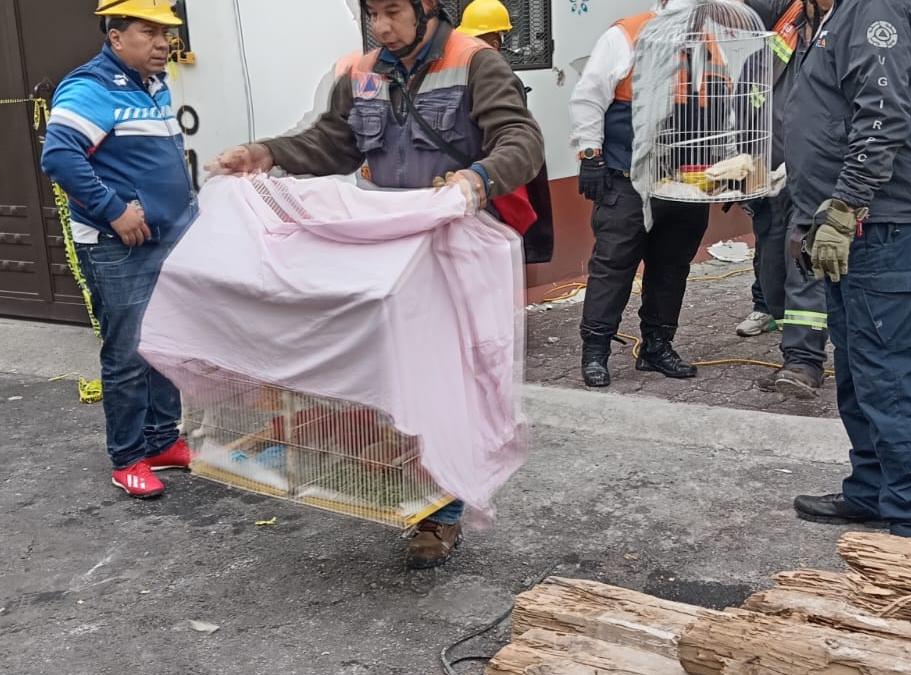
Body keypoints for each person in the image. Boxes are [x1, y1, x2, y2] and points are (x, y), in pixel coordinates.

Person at [207, 0, 544, 569]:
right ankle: (400, 481)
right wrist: (266, 154)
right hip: (388, 251)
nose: (382, 27)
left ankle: (444, 514)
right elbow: (332, 144)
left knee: (449, 385)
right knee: (394, 378)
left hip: (453, 245)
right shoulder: (362, 72)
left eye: (393, 12)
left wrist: (475, 180)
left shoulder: (476, 63)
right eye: (372, 14)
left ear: (428, 7)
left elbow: (522, 140)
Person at [785, 0, 911, 539]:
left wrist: (843, 206)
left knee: (888, 370)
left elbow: (881, 118)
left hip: (884, 224)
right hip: (856, 224)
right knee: (859, 367)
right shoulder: (833, 14)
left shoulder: (873, 7)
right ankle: (875, 489)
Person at [41, 0, 197, 499]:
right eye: (149, 32)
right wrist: (113, 209)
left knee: (164, 343)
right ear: (115, 37)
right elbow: (60, 155)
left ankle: (161, 440)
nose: (162, 43)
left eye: (166, 33)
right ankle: (128, 456)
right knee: (128, 353)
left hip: (166, 240)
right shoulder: (90, 87)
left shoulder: (154, 86)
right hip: (119, 246)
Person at [570, 0, 711, 389]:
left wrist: (728, 170)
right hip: (627, 174)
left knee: (671, 267)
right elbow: (589, 96)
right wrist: (590, 154)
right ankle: (595, 351)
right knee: (614, 265)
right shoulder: (625, 35)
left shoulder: (714, 42)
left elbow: (724, 110)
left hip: (687, 180)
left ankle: (657, 346)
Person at [742, 0, 832, 398]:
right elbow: (753, 96)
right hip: (771, 174)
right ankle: (791, 346)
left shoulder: (849, 22)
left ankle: (804, 361)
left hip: (819, 175)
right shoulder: (784, 23)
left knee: (804, 265)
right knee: (774, 274)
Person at [457, 0, 555, 264]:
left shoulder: (457, 74)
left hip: (473, 180)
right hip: (491, 183)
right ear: (496, 41)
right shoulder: (496, 76)